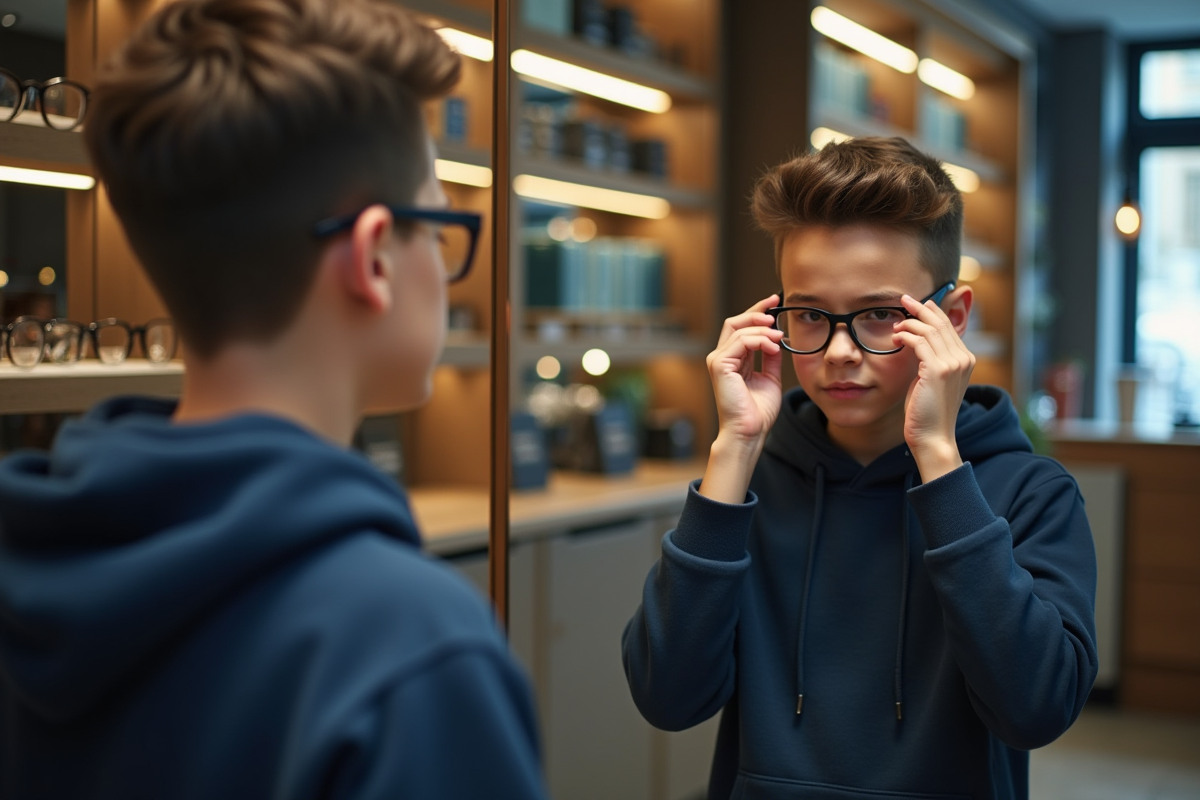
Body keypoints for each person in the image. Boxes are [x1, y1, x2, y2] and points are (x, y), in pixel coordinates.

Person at [0, 1, 547, 798]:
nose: (443, 258)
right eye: (435, 224)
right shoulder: (410, 651)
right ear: (374, 259)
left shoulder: (30, 578)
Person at [622, 137, 1097, 800]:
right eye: (810, 314)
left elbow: (1036, 708)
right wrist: (733, 449)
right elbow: (669, 699)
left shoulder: (1028, 492)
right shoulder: (747, 486)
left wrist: (939, 459)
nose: (840, 352)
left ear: (951, 320)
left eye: (879, 315)